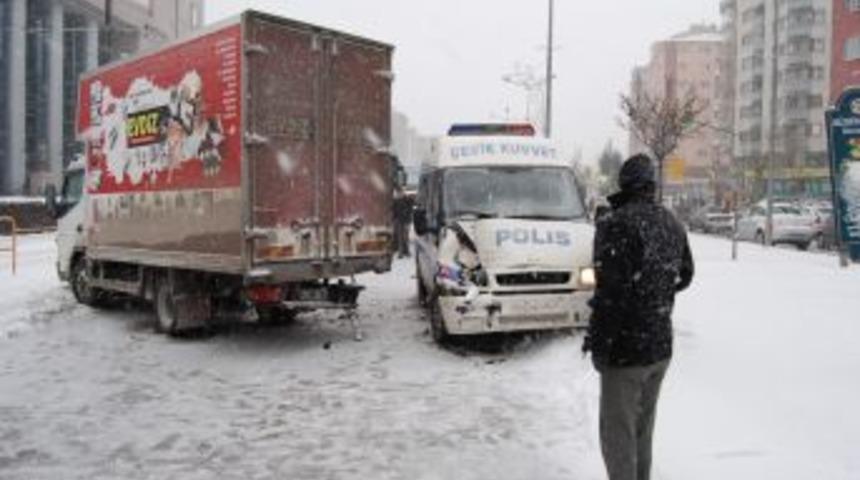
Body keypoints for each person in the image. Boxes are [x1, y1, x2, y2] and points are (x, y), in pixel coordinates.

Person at [583, 154, 695, 480]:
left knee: (618, 436)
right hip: (659, 345)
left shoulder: (616, 224)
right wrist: (656, 293)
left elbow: (610, 296)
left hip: (625, 352)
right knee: (643, 430)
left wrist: (599, 346)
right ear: (651, 185)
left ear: (624, 184)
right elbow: (686, 274)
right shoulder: (672, 222)